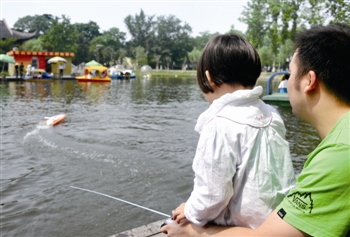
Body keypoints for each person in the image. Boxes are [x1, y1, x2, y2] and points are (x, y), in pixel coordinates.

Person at [161, 23, 350, 237]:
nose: (286, 83)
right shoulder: (271, 115)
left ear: (309, 80)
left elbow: (211, 194)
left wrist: (191, 221)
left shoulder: (341, 154)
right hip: (271, 218)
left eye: (290, 74)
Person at [170, 33, 296, 229]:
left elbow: (211, 196)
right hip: (276, 223)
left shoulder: (219, 124)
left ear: (208, 77)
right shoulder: (271, 114)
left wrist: (189, 210)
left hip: (239, 228)